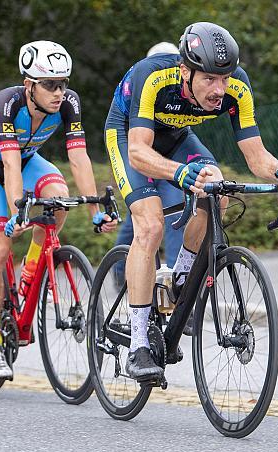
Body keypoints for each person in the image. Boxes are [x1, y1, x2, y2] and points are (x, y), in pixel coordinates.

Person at [104, 22, 278, 381]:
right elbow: (137, 152)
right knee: (149, 226)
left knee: (217, 188)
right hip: (130, 137)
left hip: (178, 136)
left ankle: (182, 277)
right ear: (185, 71)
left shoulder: (236, 87)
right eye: (210, 79)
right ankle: (137, 344)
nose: (220, 89)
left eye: (224, 79)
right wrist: (178, 174)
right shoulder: (153, 78)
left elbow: (257, 157)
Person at [0, 40, 116, 378]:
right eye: (50, 84)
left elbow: (78, 157)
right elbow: (9, 165)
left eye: (63, 83)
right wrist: (17, 212)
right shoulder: (9, 103)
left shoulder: (69, 103)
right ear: (29, 85)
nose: (59, 91)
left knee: (59, 198)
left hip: (29, 161)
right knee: (0, 247)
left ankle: (31, 271)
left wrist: (94, 206)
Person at [113, 42, 184, 287]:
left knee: (176, 210)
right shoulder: (146, 84)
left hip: (164, 160)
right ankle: (122, 271)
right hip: (140, 157)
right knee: (143, 222)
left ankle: (176, 276)